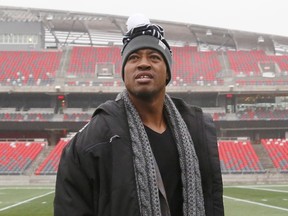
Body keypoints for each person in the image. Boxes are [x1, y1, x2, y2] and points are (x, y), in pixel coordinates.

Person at [54, 14, 224, 216]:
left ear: (168, 72)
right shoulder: (92, 140)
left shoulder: (196, 132)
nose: (143, 64)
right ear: (124, 72)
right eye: (134, 58)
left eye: (154, 57)